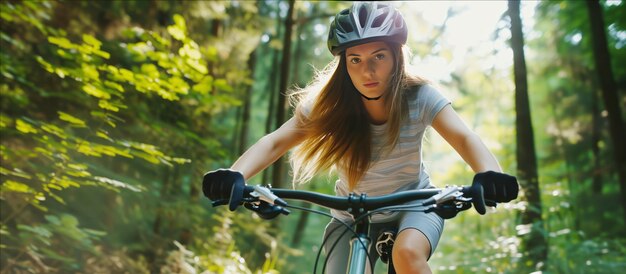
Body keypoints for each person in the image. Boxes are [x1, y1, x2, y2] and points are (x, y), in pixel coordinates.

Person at [203, 2, 518, 274]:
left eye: (378, 56)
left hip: (416, 204)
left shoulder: (418, 96)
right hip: (350, 214)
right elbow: (274, 141)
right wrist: (236, 174)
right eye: (355, 59)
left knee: (407, 255)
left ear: (397, 57)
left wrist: (489, 174)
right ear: (344, 65)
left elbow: (464, 137)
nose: (367, 70)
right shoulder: (329, 106)